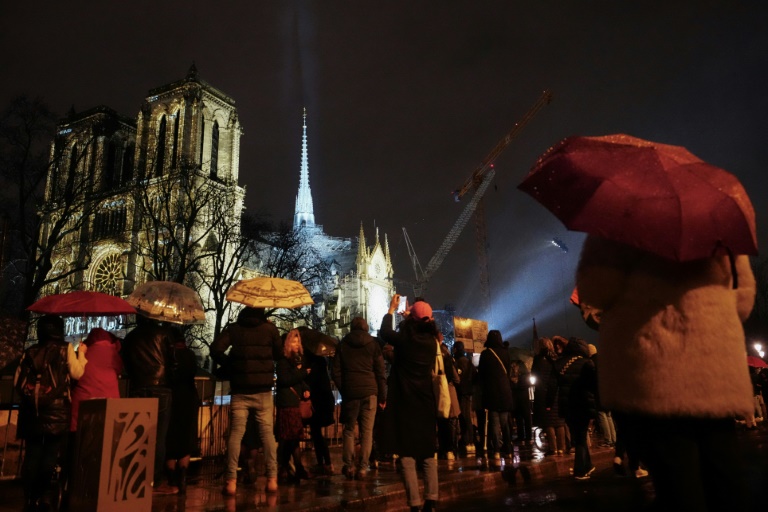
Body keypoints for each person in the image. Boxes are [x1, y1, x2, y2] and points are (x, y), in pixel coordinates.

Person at [576, 234, 756, 509]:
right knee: (724, 474)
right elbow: (742, 300)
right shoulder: (715, 218)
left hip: (657, 370)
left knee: (677, 481)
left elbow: (595, 290)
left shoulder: (621, 222)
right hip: (714, 365)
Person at [15, 315, 87, 512]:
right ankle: (45, 497)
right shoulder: (65, 350)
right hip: (57, 413)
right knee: (50, 456)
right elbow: (77, 373)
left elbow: (17, 382)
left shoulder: (30, 351)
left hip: (33, 412)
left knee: (32, 456)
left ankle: (29, 498)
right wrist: (82, 354)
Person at [210, 307, 282, 496]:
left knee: (236, 435)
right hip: (263, 390)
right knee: (267, 435)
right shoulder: (269, 329)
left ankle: (231, 480)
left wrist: (231, 364)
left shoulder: (234, 329)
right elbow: (279, 354)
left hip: (240, 389)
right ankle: (272, 479)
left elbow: (215, 349)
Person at [379, 295, 439, 512]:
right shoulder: (431, 342)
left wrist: (391, 309)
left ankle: (414, 503)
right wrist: (410, 318)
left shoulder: (406, 339)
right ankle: (431, 499)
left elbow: (385, 333)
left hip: (406, 402)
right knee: (428, 453)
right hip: (425, 403)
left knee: (407, 454)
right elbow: (414, 331)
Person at [122, 314, 176, 494]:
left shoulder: (130, 337)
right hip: (161, 387)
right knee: (158, 437)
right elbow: (173, 362)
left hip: (138, 387)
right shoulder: (164, 333)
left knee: (137, 435)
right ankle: (154, 481)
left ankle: (134, 478)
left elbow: (126, 363)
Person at [332, 317, 386, 480]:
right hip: (370, 393)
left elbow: (335, 372)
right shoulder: (374, 344)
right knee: (367, 432)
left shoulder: (343, 344)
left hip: (351, 393)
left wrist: (345, 388)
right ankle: (363, 468)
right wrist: (382, 395)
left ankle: (348, 466)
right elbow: (380, 372)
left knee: (348, 430)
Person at [549, 336, 597, 480]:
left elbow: (552, 387)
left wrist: (548, 404)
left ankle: (587, 465)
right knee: (581, 437)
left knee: (578, 435)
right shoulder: (586, 363)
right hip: (583, 404)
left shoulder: (559, 364)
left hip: (567, 406)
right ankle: (580, 470)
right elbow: (594, 385)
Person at [164, 330, 200, 494]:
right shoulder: (190, 355)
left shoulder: (168, 355)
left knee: (170, 438)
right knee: (186, 438)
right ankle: (183, 474)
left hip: (172, 397)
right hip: (189, 398)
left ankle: (171, 477)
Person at [275, 329, 311, 484]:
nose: (297, 344)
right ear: (288, 343)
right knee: (290, 438)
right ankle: (288, 467)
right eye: (294, 341)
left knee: (293, 437)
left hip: (293, 402)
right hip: (286, 403)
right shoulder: (283, 361)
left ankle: (293, 467)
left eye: (298, 341)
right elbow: (285, 380)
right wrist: (303, 373)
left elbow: (296, 379)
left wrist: (305, 388)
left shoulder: (297, 361)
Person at [301, 331, 337, 476]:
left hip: (316, 402)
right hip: (323, 400)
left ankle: (326, 464)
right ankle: (324, 463)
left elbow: (311, 382)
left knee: (317, 434)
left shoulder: (311, 363)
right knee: (317, 434)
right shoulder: (321, 361)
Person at [477, 330, 513, 464]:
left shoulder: (485, 354)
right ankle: (509, 449)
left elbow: (481, 375)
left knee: (494, 423)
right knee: (505, 423)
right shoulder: (506, 353)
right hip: (505, 392)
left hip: (491, 392)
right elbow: (508, 371)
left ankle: (497, 450)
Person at [531, 337, 566, 456]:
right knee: (559, 421)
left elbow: (534, 374)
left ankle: (553, 448)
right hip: (556, 392)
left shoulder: (538, 359)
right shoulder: (555, 357)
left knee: (548, 422)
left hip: (543, 393)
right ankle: (562, 448)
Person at [453, 341, 477, 455]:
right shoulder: (467, 361)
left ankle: (467, 439)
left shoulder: (458, 362)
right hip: (468, 391)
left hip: (462, 392)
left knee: (464, 415)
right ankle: (469, 438)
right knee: (466, 415)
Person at [510, 359, 533, 446]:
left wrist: (515, 383)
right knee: (520, 416)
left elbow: (523, 384)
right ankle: (523, 435)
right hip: (519, 397)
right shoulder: (519, 373)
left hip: (522, 396)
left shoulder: (523, 375)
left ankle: (527, 435)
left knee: (524, 416)